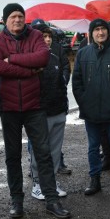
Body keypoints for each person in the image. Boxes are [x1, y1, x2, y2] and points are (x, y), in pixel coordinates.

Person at [0, 3, 70, 219]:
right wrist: (29, 72)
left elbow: (42, 58)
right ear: (5, 19)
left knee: (43, 154)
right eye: (13, 16)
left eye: (20, 16)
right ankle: (17, 201)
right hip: (9, 107)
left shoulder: (34, 36)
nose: (17, 20)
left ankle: (51, 200)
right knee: (12, 156)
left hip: (35, 105)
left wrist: (13, 59)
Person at [72, 18, 110, 197]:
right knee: (93, 148)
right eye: (96, 30)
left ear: (108, 32)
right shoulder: (83, 54)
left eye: (103, 29)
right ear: (91, 33)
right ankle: (95, 180)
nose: (100, 33)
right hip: (91, 112)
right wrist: (83, 101)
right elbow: (76, 82)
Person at [26, 21, 68, 200]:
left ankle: (51, 182)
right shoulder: (31, 57)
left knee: (55, 150)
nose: (48, 40)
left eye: (49, 36)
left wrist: (64, 81)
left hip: (59, 109)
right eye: (44, 36)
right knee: (39, 150)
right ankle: (37, 183)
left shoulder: (57, 54)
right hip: (40, 112)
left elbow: (65, 72)